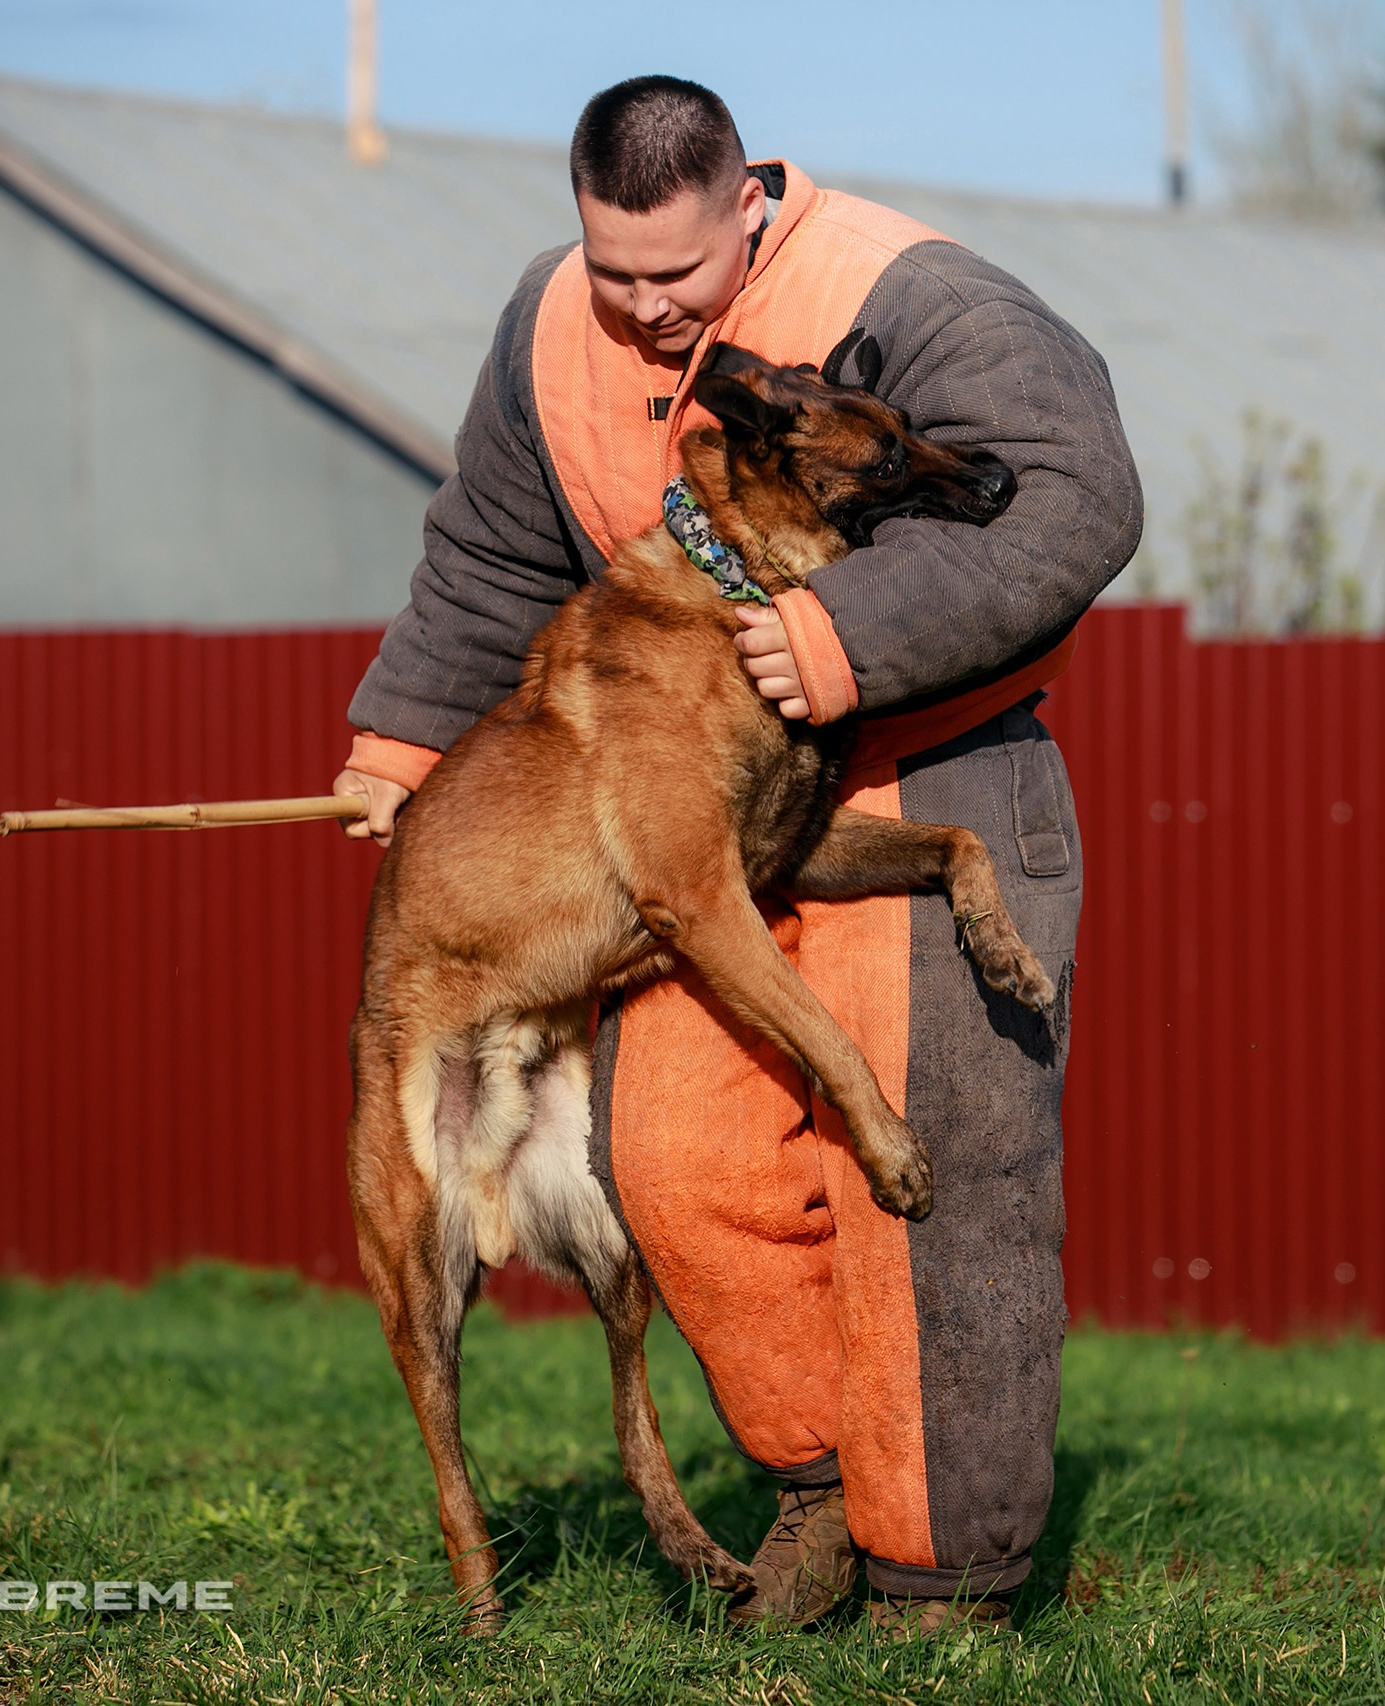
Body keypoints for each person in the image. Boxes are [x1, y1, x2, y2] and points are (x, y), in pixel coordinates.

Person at [333, 75, 1140, 1633]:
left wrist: (838, 638)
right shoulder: (551, 319)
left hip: (930, 769)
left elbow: (1074, 496)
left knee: (925, 1184)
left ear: (747, 206)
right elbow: (495, 547)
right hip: (708, 810)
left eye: (674, 276)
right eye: (609, 266)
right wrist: (399, 745)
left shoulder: (913, 291)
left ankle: (942, 1579)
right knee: (679, 1167)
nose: (635, 305)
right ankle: (817, 1498)